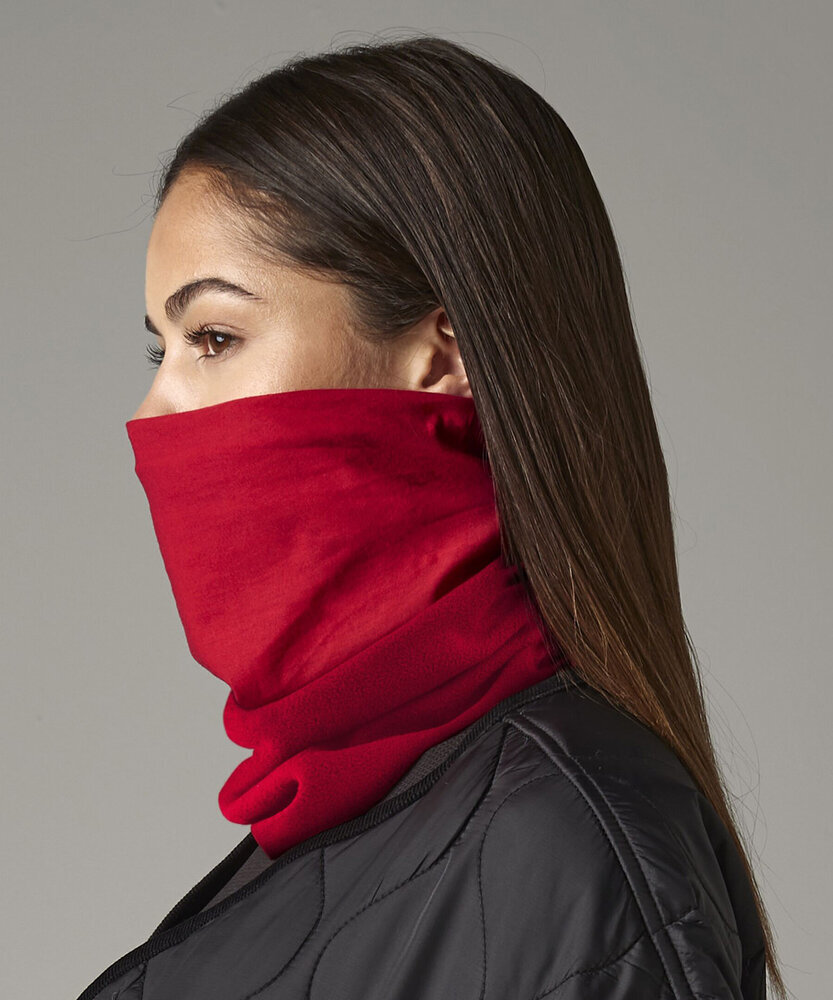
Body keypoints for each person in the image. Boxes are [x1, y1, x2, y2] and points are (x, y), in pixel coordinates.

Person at [75, 34, 787, 1000]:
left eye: (213, 336)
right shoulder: (355, 807)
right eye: (158, 349)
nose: (153, 411)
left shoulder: (561, 843)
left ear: (444, 353)